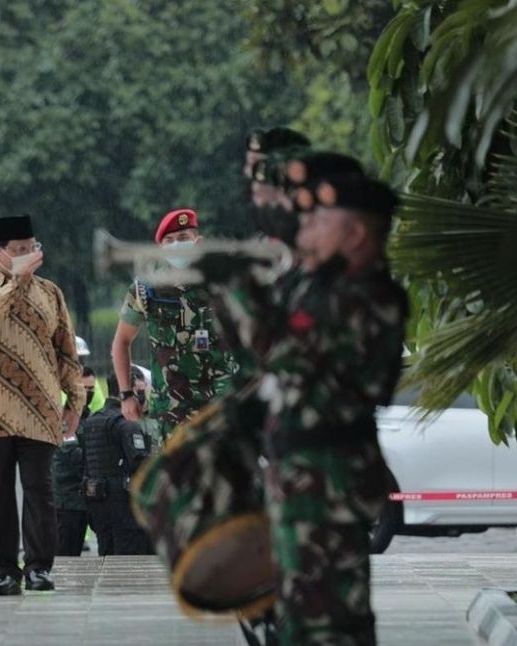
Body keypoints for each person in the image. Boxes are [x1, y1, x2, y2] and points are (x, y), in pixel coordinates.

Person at [196, 174, 407, 645]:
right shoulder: (318, 287)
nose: (303, 228)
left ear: (353, 233)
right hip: (297, 477)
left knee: (330, 623)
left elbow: (286, 352)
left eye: (317, 220)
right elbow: (255, 358)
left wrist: (239, 288)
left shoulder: (368, 297)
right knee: (294, 619)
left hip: (333, 482)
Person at [0, 214, 85, 596]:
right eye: (19, 251)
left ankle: (40, 567)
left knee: (39, 491)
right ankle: (4, 568)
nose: (29, 256)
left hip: (39, 409)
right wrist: (13, 283)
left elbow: (66, 349)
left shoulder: (51, 292)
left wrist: (74, 399)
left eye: (32, 248)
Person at [111, 208, 233, 441]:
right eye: (169, 241)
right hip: (170, 409)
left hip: (221, 403)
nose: (177, 245)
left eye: (183, 239)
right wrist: (126, 394)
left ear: (198, 242)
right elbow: (122, 341)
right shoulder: (146, 288)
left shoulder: (221, 284)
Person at [80, 374, 153, 555]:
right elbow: (140, 462)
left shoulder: (91, 421)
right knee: (130, 562)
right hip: (125, 507)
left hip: (97, 502)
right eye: (138, 389)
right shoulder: (125, 423)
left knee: (106, 556)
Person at [51, 366, 95, 556]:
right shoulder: (64, 419)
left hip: (84, 500)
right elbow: (70, 456)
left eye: (91, 389)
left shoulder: (88, 419)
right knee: (65, 556)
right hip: (66, 501)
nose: (88, 393)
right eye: (84, 389)